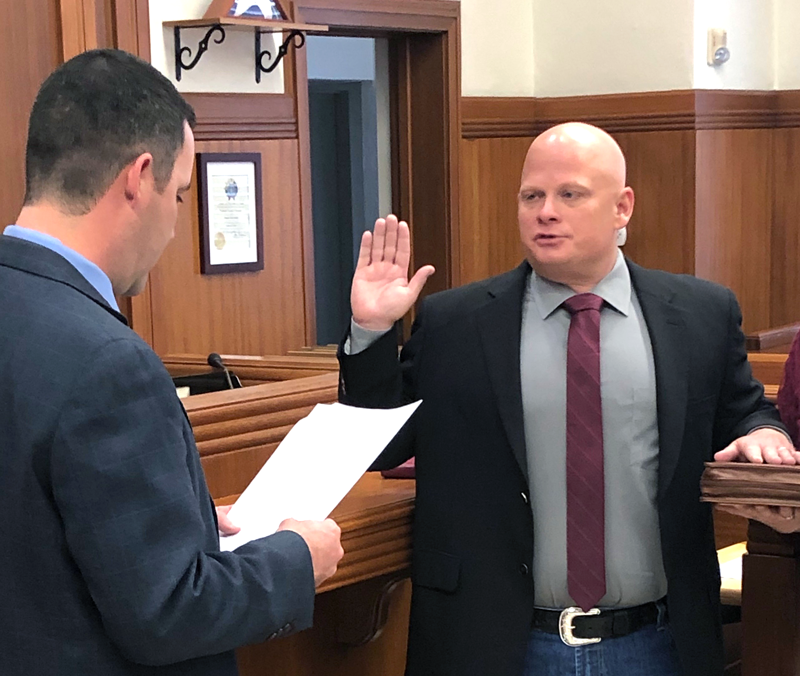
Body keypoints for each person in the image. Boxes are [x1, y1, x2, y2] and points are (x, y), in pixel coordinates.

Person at [338, 122, 798, 676]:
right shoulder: (456, 323)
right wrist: (369, 334)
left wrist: (765, 434)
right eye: (532, 196)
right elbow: (379, 446)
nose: (545, 211)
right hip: (493, 644)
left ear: (622, 206)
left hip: (657, 642)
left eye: (570, 194)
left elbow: (745, 412)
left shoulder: (700, 314)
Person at [0, 49, 343, 676]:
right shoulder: (107, 362)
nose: (177, 226)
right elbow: (168, 613)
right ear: (139, 177)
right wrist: (296, 557)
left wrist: (172, 523)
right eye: (182, 195)